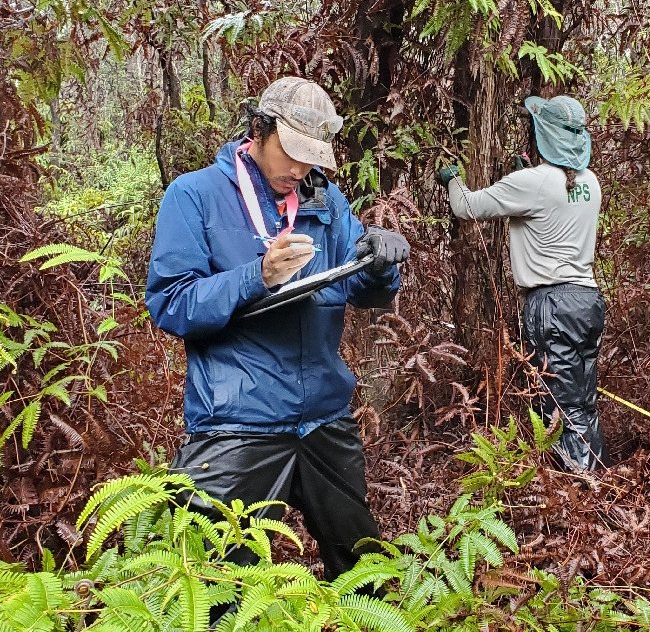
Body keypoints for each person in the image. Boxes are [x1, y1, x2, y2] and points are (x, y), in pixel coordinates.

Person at [146, 76, 410, 579]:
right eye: (289, 152)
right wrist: (256, 277)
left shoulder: (327, 203)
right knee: (215, 583)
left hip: (324, 417)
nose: (298, 168)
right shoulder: (195, 196)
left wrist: (380, 263)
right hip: (237, 420)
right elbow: (171, 304)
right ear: (258, 130)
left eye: (310, 156)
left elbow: (369, 293)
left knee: (364, 573)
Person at [437, 94, 606, 472]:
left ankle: (581, 493)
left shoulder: (533, 182)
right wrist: (523, 177)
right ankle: (597, 481)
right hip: (588, 302)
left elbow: (468, 207)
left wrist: (452, 180)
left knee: (559, 406)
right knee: (583, 400)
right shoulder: (590, 182)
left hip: (552, 307)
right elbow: (554, 201)